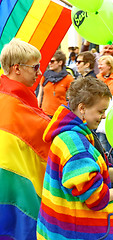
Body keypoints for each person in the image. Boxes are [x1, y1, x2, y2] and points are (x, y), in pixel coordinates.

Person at [36, 76, 113, 240]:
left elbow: (95, 173)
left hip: (64, 229)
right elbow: (94, 196)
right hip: (76, 233)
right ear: (82, 108)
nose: (103, 117)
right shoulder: (74, 144)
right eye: (100, 111)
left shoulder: (72, 135)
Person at [0, 38, 51, 240]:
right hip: (13, 188)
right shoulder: (14, 103)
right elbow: (49, 134)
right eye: (35, 67)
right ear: (17, 68)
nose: (40, 73)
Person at [37, 50, 74, 118]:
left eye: (52, 61)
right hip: (45, 113)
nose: (49, 63)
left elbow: (73, 97)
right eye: (49, 61)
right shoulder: (45, 76)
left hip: (61, 114)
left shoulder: (68, 78)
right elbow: (40, 94)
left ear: (60, 62)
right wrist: (37, 109)